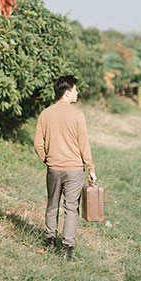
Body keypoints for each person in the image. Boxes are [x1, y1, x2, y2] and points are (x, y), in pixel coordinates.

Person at [34, 74, 97, 261]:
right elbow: (83, 144)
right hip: (75, 170)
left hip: (54, 168)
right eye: (75, 90)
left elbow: (38, 143)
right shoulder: (77, 115)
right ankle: (67, 248)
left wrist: (48, 159)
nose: (77, 93)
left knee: (52, 203)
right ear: (68, 93)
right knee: (71, 207)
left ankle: (50, 240)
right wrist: (90, 168)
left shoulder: (45, 114)